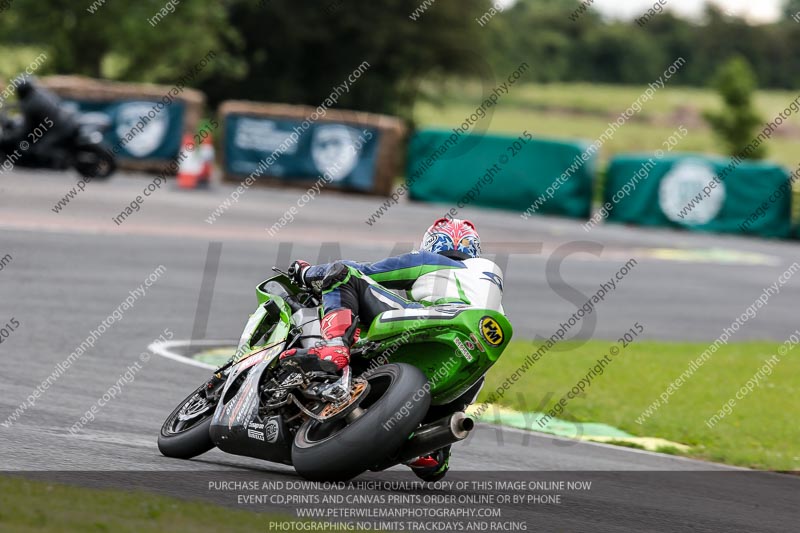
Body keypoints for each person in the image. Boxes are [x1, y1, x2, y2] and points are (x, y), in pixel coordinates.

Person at [280, 217, 505, 481]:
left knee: (345, 276)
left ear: (432, 243)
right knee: (437, 464)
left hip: (438, 319)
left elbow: (365, 271)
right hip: (472, 356)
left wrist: (307, 272)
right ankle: (435, 449)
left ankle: (333, 346)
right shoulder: (490, 282)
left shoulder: (433, 260)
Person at [15, 77, 77, 167]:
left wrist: (19, 137)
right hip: (65, 121)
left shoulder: (30, 103)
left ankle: (63, 162)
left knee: (40, 150)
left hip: (59, 127)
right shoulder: (42, 94)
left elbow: (27, 127)